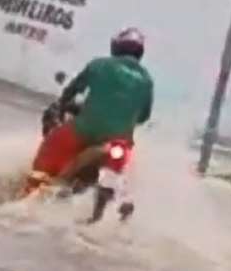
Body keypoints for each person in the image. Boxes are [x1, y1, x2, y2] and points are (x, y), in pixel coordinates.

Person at [26, 28, 154, 188]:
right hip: (118, 143)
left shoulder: (98, 64)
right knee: (122, 170)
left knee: (51, 148)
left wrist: (61, 106)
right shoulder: (147, 80)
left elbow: (71, 91)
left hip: (85, 130)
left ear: (116, 47)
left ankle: (32, 187)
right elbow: (143, 116)